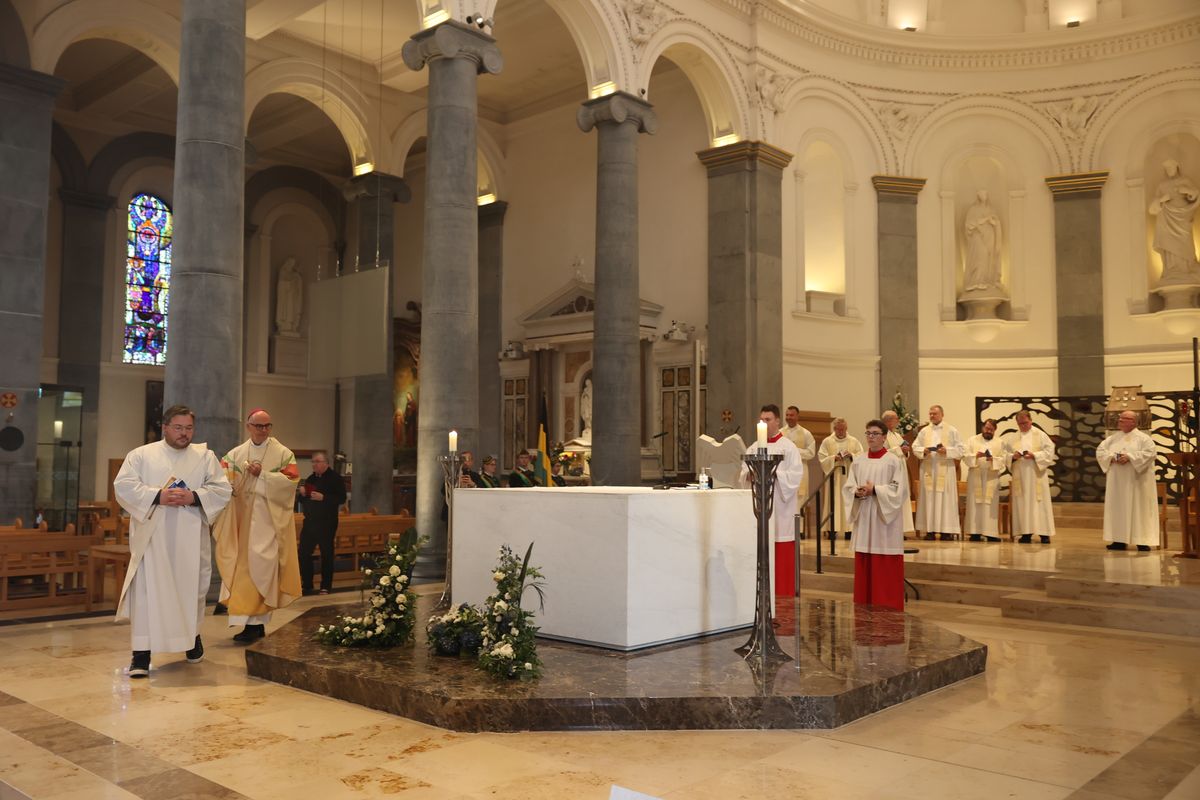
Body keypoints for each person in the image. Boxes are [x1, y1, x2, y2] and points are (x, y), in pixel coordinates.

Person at [113, 405, 232, 678]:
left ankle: (191, 641)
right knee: (147, 594)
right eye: (178, 428)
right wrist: (157, 496)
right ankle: (141, 655)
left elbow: (222, 489)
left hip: (190, 536)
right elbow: (124, 486)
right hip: (153, 538)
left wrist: (194, 497)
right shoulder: (142, 455)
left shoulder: (205, 457)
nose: (184, 433)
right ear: (164, 427)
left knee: (191, 590)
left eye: (189, 428)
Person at [212, 409, 302, 643]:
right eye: (258, 426)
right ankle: (250, 626)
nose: (263, 430)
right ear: (249, 427)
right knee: (241, 569)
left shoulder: (283, 453)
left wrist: (263, 476)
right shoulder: (235, 454)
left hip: (267, 523)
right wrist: (229, 487)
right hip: (241, 522)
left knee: (262, 570)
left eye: (267, 426)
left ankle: (256, 624)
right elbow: (222, 479)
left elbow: (291, 482)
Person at [739, 404, 804, 607]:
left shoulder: (788, 447)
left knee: (780, 548)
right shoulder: (752, 448)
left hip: (781, 509)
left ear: (777, 421)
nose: (764, 423)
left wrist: (774, 472)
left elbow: (795, 476)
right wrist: (749, 475)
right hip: (760, 508)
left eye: (768, 420)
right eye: (761, 420)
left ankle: (782, 599)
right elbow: (743, 475)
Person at [843, 420, 908, 611]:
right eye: (868, 433)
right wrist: (856, 492)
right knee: (865, 565)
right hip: (864, 517)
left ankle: (887, 607)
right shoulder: (859, 460)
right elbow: (848, 486)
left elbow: (900, 490)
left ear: (884, 437)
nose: (871, 437)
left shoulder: (893, 461)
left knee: (884, 567)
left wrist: (876, 490)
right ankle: (864, 608)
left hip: (884, 521)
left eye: (875, 433)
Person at [1097, 410, 1158, 551]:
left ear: (1133, 422)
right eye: (1120, 418)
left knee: (1138, 508)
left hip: (1137, 482)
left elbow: (1150, 453)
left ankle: (1142, 541)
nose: (1120, 421)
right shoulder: (1113, 438)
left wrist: (1130, 457)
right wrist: (1113, 457)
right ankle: (1119, 540)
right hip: (1117, 482)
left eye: (1124, 419)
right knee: (1118, 508)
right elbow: (1101, 451)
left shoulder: (1144, 438)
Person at [298, 450, 347, 596]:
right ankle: (307, 584)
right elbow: (303, 501)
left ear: (326, 463)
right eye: (313, 462)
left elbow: (341, 499)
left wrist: (323, 497)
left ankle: (325, 586)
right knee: (303, 553)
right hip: (310, 522)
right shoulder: (311, 479)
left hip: (327, 522)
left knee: (326, 554)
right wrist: (302, 495)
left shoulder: (335, 478)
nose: (314, 465)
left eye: (317, 462)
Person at [913, 404, 963, 541]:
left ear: (942, 414)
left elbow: (960, 450)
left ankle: (946, 531)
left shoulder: (952, 430)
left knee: (945, 500)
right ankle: (930, 530)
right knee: (929, 500)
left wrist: (947, 450)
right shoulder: (924, 431)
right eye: (930, 414)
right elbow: (915, 447)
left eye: (934, 414)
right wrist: (923, 450)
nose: (932, 416)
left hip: (945, 469)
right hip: (929, 469)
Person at [1006, 410, 1057, 544]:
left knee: (1040, 504)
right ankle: (1026, 534)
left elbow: (1049, 451)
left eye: (1025, 423)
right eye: (1020, 423)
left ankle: (1044, 534)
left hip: (1036, 475)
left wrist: (1035, 455)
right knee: (1023, 504)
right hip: (1020, 477)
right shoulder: (1013, 438)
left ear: (1031, 421)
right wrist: (1013, 457)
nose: (1023, 425)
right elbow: (1005, 455)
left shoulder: (1040, 435)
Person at [1149, 160, 1200, 282]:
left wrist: (1187, 191)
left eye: (1171, 168)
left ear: (1176, 167)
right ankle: (1171, 270)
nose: (1169, 170)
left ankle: (1187, 269)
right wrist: (1162, 199)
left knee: (1185, 240)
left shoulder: (1185, 181)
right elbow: (1152, 208)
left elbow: (1196, 195)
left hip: (1183, 217)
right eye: (1167, 169)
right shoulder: (1162, 185)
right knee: (1168, 243)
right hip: (1166, 218)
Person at [818, 417, 863, 541]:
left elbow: (861, 455)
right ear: (834, 429)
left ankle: (849, 530)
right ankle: (832, 530)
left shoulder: (854, 441)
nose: (841, 432)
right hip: (834, 477)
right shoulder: (827, 441)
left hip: (849, 476)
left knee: (848, 502)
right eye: (839, 429)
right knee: (833, 501)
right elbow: (822, 457)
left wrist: (852, 455)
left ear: (846, 428)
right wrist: (833, 458)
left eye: (843, 429)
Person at [963, 419, 1004, 542]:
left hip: (991, 477)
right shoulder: (972, 440)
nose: (988, 431)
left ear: (995, 430)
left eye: (991, 429)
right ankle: (974, 533)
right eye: (986, 428)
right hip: (976, 475)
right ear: (982, 428)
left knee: (989, 505)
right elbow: (965, 456)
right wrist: (975, 456)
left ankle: (990, 533)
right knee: (975, 505)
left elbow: (1004, 459)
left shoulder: (1000, 442)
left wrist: (993, 459)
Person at [881, 410, 916, 537]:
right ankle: (892, 528)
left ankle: (901, 529)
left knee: (901, 499)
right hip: (890, 473)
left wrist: (906, 451)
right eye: (896, 419)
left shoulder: (897, 435)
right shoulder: (882, 434)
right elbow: (881, 452)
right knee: (892, 499)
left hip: (901, 471)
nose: (898, 421)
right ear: (888, 420)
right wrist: (899, 450)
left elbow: (903, 454)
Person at [963, 189, 1003, 291]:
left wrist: (994, 222)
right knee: (981, 255)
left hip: (990, 236)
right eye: (981, 193)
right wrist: (985, 220)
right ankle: (976, 281)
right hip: (977, 237)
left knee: (989, 257)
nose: (983, 195)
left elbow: (996, 223)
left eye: (985, 193)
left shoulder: (991, 209)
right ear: (978, 195)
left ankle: (987, 280)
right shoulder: (973, 209)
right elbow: (969, 224)